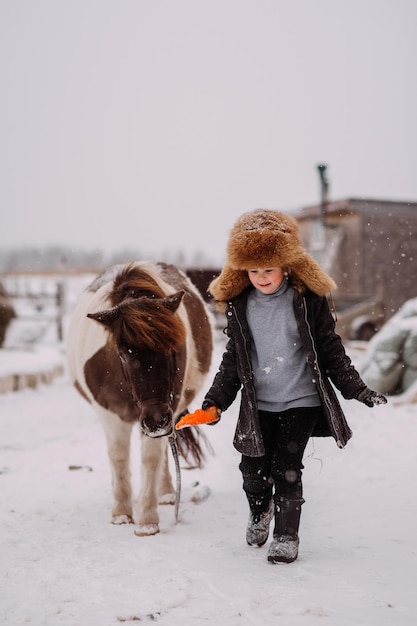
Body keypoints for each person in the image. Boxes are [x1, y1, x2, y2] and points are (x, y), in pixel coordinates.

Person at [201, 209, 387, 564]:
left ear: (286, 265)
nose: (261, 278)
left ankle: (287, 536)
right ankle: (260, 511)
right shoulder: (240, 306)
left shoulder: (306, 301)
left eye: (268, 269)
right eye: (253, 271)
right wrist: (215, 403)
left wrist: (357, 389)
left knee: (287, 467)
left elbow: (330, 350)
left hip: (301, 400)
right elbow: (233, 362)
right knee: (252, 472)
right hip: (259, 404)